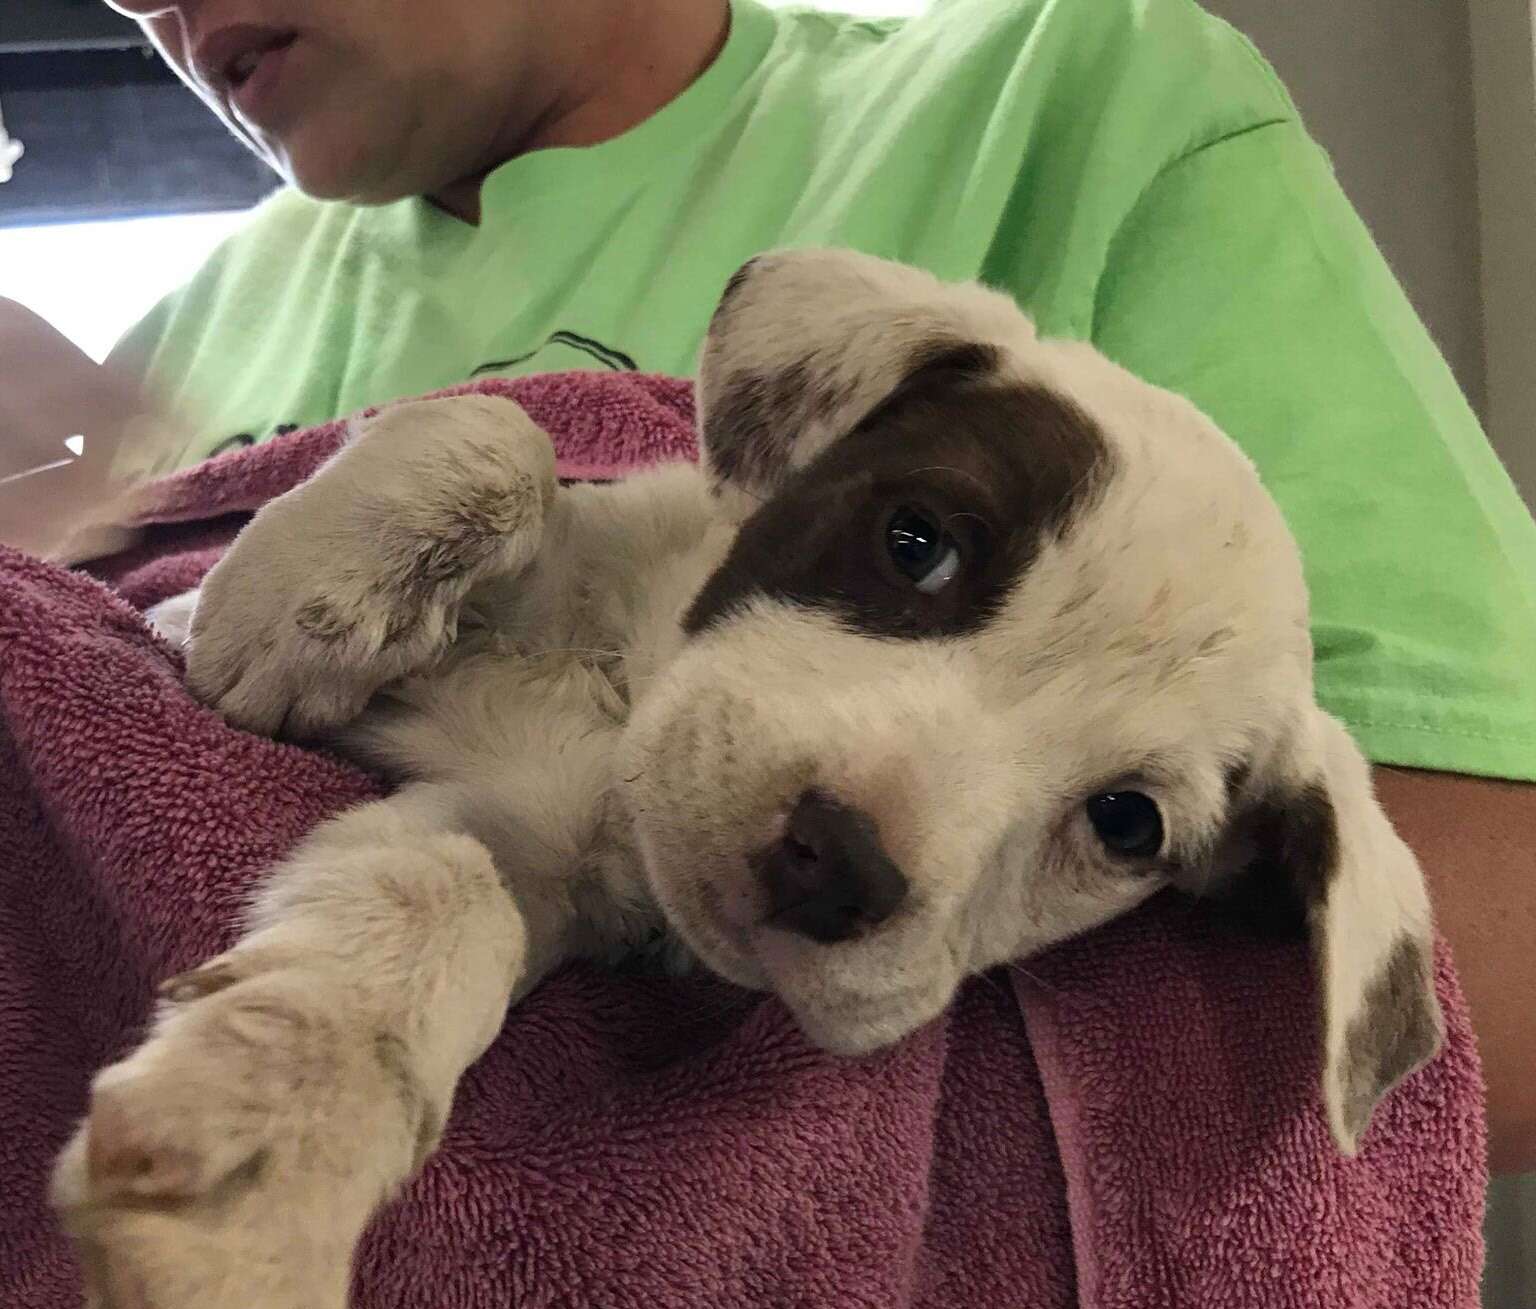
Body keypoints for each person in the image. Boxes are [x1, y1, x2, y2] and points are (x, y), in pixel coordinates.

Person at [1, 0, 1533, 1172]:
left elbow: (1500, 961)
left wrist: (669, 1081)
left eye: (918, 545)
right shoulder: (189, 329)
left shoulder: (1066, 94)